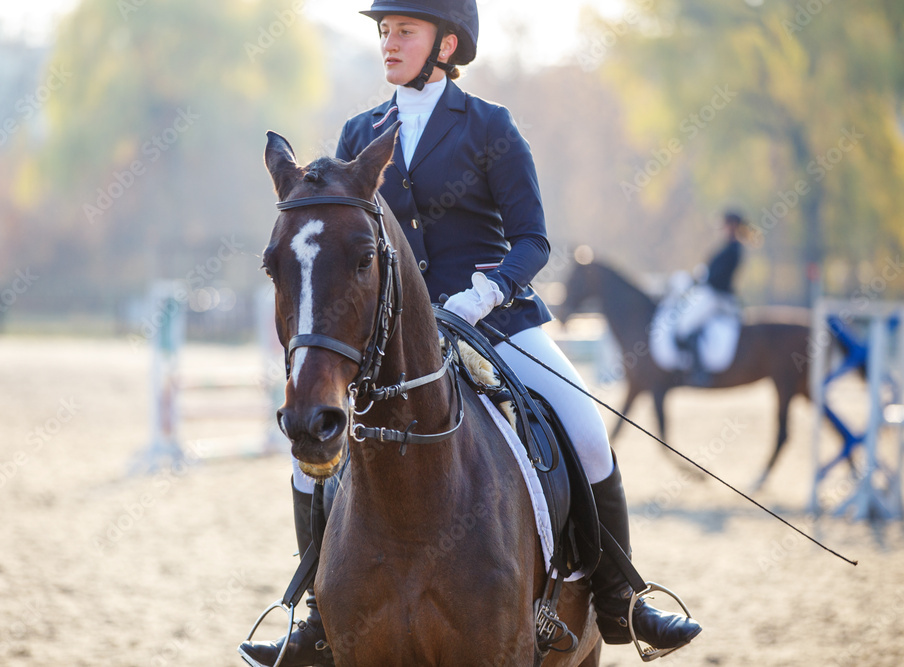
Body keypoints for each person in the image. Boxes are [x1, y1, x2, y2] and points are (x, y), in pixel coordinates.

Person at [240, 2, 701, 664]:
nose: (389, 42)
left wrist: (484, 293)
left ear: (446, 43)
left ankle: (621, 595)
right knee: (308, 453)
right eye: (384, 31)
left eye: (405, 30)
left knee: (587, 430)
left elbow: (534, 240)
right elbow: (347, 243)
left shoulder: (490, 128)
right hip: (393, 339)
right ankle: (315, 612)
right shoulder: (360, 130)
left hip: (497, 320)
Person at [673, 209, 747, 385]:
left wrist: (702, 280)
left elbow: (719, 278)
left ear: (734, 226)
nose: (724, 228)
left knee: (685, 325)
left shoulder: (734, 248)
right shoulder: (728, 246)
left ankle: (699, 372)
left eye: (727, 225)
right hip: (712, 293)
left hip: (717, 296)